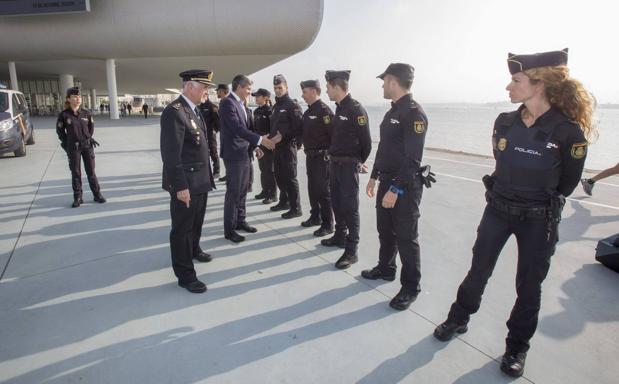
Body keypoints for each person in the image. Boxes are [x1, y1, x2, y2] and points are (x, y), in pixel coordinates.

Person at [433, 49, 596, 378]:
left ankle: (517, 346)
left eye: (516, 80)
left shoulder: (569, 133)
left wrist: (536, 199)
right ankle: (459, 317)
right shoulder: (504, 122)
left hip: (539, 220)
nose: (509, 87)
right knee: (478, 269)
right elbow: (501, 162)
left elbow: (566, 183)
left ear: (539, 85)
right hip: (498, 211)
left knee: (529, 285)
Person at [363, 63, 429, 311]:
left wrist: (395, 189)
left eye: (384, 81)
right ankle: (386, 268)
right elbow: (385, 148)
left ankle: (411, 287)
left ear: (392, 80)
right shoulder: (393, 112)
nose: (381, 85)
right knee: (385, 229)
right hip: (387, 180)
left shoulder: (414, 113)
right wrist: (374, 176)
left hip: (405, 185)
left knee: (406, 237)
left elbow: (413, 158)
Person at [160, 69, 216, 294]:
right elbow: (171, 155)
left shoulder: (194, 110)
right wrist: (181, 186)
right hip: (186, 183)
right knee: (182, 228)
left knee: (196, 222)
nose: (206, 92)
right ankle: (185, 274)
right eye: (204, 87)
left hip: (200, 180)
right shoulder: (174, 112)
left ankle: (194, 249)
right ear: (190, 86)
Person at [321, 70, 372, 269]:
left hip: (348, 166)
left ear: (336, 86)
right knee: (337, 202)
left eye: (327, 87)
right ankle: (340, 236)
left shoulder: (355, 109)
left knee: (350, 208)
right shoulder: (340, 109)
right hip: (334, 164)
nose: (326, 90)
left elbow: (366, 142)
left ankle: (352, 251)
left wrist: (357, 161)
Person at [219, 74, 278, 243]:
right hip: (234, 155)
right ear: (239, 87)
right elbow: (238, 129)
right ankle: (229, 230)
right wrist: (261, 140)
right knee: (233, 192)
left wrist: (255, 147)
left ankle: (240, 221)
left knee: (243, 190)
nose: (249, 92)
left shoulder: (242, 105)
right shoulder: (227, 103)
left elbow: (247, 129)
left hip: (245, 153)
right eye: (248, 89)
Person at [56, 87, 106, 208]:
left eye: (79, 97)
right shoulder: (64, 115)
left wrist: (88, 138)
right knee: (76, 172)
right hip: (73, 148)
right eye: (75, 96)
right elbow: (60, 132)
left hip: (87, 146)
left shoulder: (86, 113)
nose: (78, 98)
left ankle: (97, 194)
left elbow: (90, 128)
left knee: (91, 171)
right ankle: (78, 197)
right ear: (68, 99)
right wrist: (67, 144)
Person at [299, 79, 334, 237]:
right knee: (312, 189)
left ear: (313, 91)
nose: (303, 95)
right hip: (310, 157)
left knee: (323, 191)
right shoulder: (307, 112)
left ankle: (328, 224)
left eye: (305, 92)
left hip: (322, 158)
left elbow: (333, 136)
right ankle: (315, 217)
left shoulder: (324, 111)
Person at [269, 74, 304, 219]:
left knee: (290, 178)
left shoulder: (292, 105)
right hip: (277, 148)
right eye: (275, 88)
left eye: (280, 87)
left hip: (288, 147)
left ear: (286, 87)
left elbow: (299, 128)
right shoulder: (276, 106)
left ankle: (296, 208)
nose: (277, 90)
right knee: (279, 176)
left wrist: (284, 136)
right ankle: (284, 202)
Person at [251, 88, 278, 204]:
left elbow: (274, 128)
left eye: (258, 96)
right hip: (259, 143)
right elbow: (254, 129)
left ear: (265, 98)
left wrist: (268, 138)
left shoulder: (271, 111)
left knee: (270, 170)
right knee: (263, 169)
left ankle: (272, 195)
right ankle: (265, 191)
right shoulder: (256, 111)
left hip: (268, 144)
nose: (256, 98)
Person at [198, 93, 221, 177]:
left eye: (203, 95)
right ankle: (206, 171)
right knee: (203, 152)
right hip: (201, 133)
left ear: (206, 95)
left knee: (213, 152)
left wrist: (214, 130)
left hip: (210, 134)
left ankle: (216, 171)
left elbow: (218, 121)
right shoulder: (199, 106)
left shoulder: (213, 106)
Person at [216, 83, 230, 182]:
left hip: (229, 134)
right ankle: (228, 174)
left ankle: (230, 175)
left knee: (229, 156)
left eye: (218, 91)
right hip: (223, 133)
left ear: (223, 91)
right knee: (225, 155)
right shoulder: (221, 102)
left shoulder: (229, 102)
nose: (217, 92)